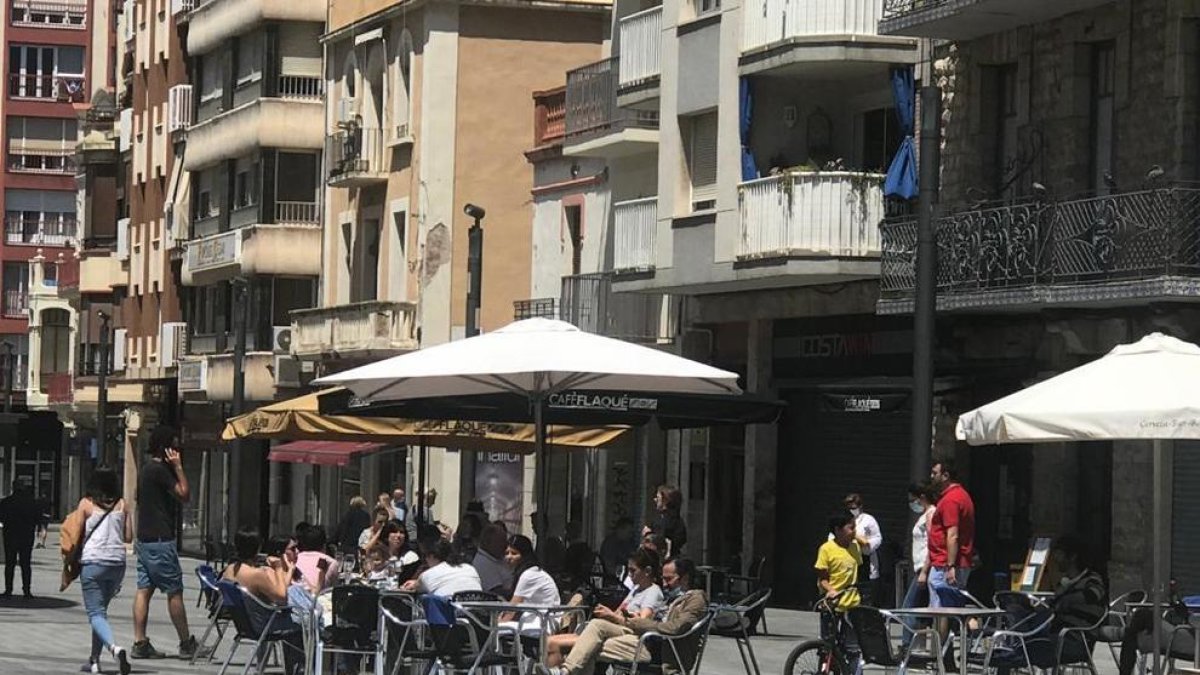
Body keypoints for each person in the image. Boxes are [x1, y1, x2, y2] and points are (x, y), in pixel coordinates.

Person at [538, 558, 708, 675]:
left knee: (590, 648)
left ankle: (565, 671)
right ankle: (564, 672)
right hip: (647, 638)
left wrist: (642, 623)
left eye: (669, 579)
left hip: (659, 649)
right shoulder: (674, 597)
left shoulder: (696, 599)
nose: (664, 583)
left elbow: (676, 628)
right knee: (597, 625)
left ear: (685, 578)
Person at [131, 426, 199, 659]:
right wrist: (179, 467)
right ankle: (185, 643)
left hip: (145, 539)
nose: (178, 449)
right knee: (174, 591)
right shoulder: (161, 470)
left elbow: (137, 499)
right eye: (175, 445)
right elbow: (184, 494)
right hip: (161, 540)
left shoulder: (145, 470)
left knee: (144, 589)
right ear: (166, 447)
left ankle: (140, 642)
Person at [991, 537, 1107, 675]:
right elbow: (1052, 606)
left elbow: (1093, 594)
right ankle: (1010, 646)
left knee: (1017, 650)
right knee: (1016, 617)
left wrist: (1063, 600)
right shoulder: (1065, 584)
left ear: (1072, 557)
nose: (1055, 558)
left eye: (1059, 553)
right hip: (1055, 637)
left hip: (1072, 642)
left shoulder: (1091, 580)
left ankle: (1010, 650)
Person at [547, 548, 665, 666]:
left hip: (630, 634)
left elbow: (642, 623)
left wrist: (611, 615)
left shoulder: (653, 591)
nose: (629, 574)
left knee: (596, 626)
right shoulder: (636, 590)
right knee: (550, 642)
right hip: (617, 630)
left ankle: (564, 671)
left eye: (633, 570)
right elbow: (619, 612)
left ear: (647, 571)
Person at [222, 527, 303, 675]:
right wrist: (280, 568)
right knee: (304, 622)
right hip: (264, 624)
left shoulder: (230, 569)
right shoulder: (256, 574)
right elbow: (282, 598)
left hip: (245, 623)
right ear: (258, 547)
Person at [77, 467, 134, 675]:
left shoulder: (86, 504)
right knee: (100, 613)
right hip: (117, 564)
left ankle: (114, 648)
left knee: (95, 613)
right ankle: (94, 660)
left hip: (93, 562)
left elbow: (75, 533)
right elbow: (128, 536)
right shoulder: (122, 504)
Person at [928, 458, 975, 607]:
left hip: (945, 564)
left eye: (934, 473)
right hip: (949, 562)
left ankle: (940, 632)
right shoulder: (960, 496)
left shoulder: (951, 500)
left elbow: (952, 535)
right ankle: (970, 629)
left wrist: (950, 566)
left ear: (945, 476)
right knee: (955, 606)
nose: (931, 476)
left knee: (942, 609)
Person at [815, 510, 865, 640]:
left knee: (851, 644)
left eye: (855, 527)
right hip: (832, 604)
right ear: (837, 530)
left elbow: (858, 572)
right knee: (828, 643)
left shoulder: (855, 547)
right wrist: (831, 590)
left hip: (852, 603)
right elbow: (823, 579)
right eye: (851, 528)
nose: (854, 531)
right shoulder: (826, 549)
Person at [900, 483, 937, 649]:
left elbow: (932, 543)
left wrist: (924, 571)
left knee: (909, 608)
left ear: (921, 497)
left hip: (925, 568)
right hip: (921, 568)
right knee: (921, 610)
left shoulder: (931, 514)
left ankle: (908, 645)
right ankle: (917, 647)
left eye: (912, 499)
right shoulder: (925, 514)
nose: (911, 503)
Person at [499, 535, 560, 636]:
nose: (509, 557)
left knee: (496, 628)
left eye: (514, 553)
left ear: (525, 555)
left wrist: (496, 623)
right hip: (537, 619)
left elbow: (512, 609)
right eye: (506, 553)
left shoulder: (529, 574)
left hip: (543, 622)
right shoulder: (530, 572)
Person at [402, 533, 482, 595]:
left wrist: (413, 583)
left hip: (448, 614)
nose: (425, 560)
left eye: (425, 556)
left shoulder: (428, 574)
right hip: (477, 613)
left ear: (432, 556)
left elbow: (413, 587)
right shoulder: (470, 568)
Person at [0, 478, 39, 598]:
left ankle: (8, 589)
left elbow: (1, 518)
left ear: (13, 488)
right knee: (26, 564)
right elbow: (37, 519)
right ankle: (26, 590)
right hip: (26, 537)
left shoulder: (6, 502)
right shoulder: (31, 502)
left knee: (10, 564)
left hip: (10, 536)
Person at [843, 493, 883, 604]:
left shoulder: (868, 520)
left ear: (860, 506)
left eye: (854, 507)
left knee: (866, 593)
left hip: (865, 559)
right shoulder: (844, 520)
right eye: (849, 508)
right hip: (848, 559)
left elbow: (877, 538)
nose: (852, 510)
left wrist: (867, 545)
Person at [643, 485, 687, 557]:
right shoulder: (676, 519)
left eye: (658, 497)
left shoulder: (665, 521)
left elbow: (659, 541)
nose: (655, 500)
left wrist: (648, 534)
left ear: (666, 500)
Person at [294, 525, 339, 592]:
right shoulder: (330, 561)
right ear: (324, 545)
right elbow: (332, 587)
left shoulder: (296, 558)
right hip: (317, 598)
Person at [473, 522, 513, 595]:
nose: (505, 545)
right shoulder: (482, 563)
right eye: (501, 541)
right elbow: (496, 592)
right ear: (487, 542)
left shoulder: (498, 557)